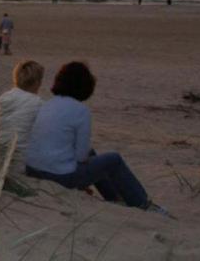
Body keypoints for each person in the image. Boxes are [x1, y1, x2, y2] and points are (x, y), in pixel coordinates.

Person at [25, 61, 167, 214]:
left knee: (93, 156)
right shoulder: (81, 111)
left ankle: (114, 198)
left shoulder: (48, 104)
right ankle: (142, 203)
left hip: (33, 169)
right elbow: (81, 157)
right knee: (113, 160)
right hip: (59, 176)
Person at [0, 60, 45, 160]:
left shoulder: (4, 98)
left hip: (2, 155)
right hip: (25, 159)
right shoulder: (38, 103)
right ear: (37, 82)